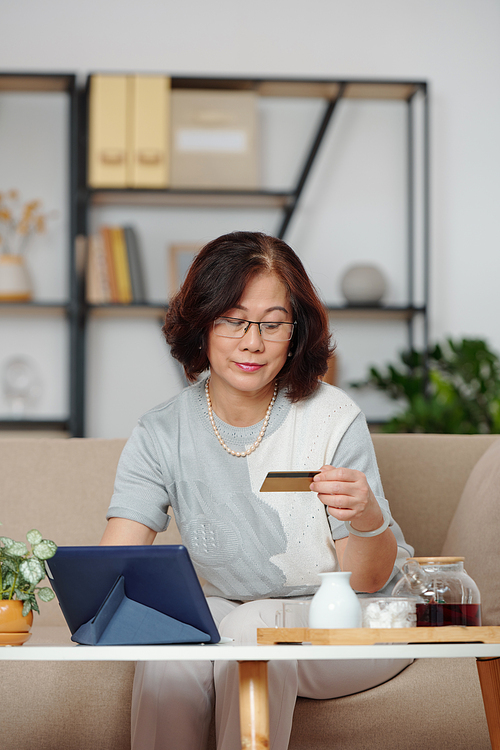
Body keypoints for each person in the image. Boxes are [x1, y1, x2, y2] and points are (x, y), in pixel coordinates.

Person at [100, 230, 413, 750]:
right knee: (173, 652)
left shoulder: (333, 418)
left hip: (360, 619)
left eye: (272, 325)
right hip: (235, 612)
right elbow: (115, 563)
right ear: (201, 325)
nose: (252, 342)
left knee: (253, 629)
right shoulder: (162, 430)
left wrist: (367, 514)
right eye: (233, 321)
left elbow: (369, 578)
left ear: (295, 333)